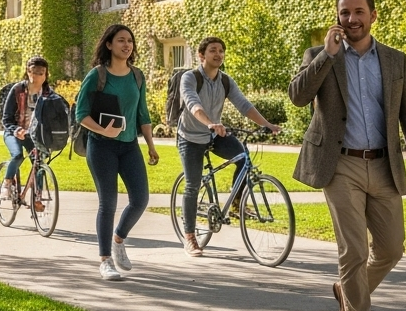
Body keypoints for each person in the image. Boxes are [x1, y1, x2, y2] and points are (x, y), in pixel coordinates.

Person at [289, 0, 406, 311]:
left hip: (384, 164)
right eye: (344, 13)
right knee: (352, 250)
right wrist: (326, 55)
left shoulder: (395, 60)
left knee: (391, 248)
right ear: (337, 17)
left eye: (358, 12)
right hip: (340, 165)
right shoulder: (320, 55)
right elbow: (298, 97)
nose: (351, 19)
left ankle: (347, 292)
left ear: (372, 15)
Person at [176, 38, 282, 257]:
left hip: (215, 134)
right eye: (213, 50)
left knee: (243, 157)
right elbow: (192, 103)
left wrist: (266, 124)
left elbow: (244, 105)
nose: (218, 54)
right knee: (193, 185)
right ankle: (189, 237)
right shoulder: (190, 78)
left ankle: (235, 203)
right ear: (201, 55)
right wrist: (210, 123)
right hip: (191, 137)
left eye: (221, 51)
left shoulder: (225, 81)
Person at [75, 24, 159, 281]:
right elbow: (81, 114)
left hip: (129, 145)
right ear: (109, 44)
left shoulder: (137, 76)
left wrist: (151, 145)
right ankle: (105, 261)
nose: (127, 45)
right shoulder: (97, 75)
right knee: (108, 203)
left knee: (140, 199)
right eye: (121, 40)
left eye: (130, 41)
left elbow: (142, 114)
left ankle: (118, 239)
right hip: (101, 146)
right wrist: (102, 130)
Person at [0, 56, 51, 205]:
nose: (36, 76)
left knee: (39, 163)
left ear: (46, 75)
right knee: (17, 156)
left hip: (33, 135)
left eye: (41, 73)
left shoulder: (48, 94)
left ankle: (37, 197)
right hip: (13, 132)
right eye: (33, 72)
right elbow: (6, 118)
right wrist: (16, 130)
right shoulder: (17, 90)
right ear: (27, 72)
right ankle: (7, 182)